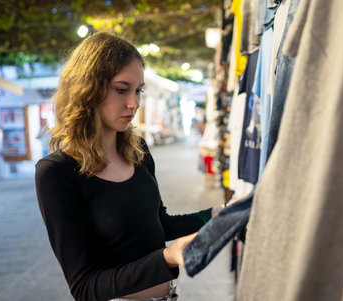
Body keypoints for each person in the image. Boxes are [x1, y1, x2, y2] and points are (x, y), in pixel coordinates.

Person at [35, 32, 225, 301]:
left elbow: (157, 224)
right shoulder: (57, 171)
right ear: (87, 89)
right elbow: (84, 287)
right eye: (122, 89)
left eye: (138, 90)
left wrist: (214, 215)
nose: (134, 103)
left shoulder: (138, 151)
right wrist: (166, 258)